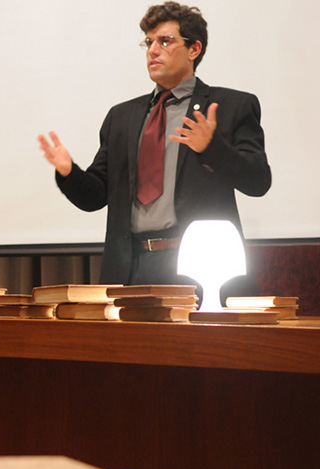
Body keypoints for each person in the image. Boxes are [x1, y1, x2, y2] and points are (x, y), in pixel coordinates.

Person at [37, 1, 271, 294]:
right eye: (149, 42)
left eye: (165, 41)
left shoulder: (230, 107)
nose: (152, 50)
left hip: (199, 265)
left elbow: (258, 181)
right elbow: (95, 197)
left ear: (194, 49)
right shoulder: (122, 117)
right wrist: (69, 172)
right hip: (131, 267)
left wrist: (212, 148)